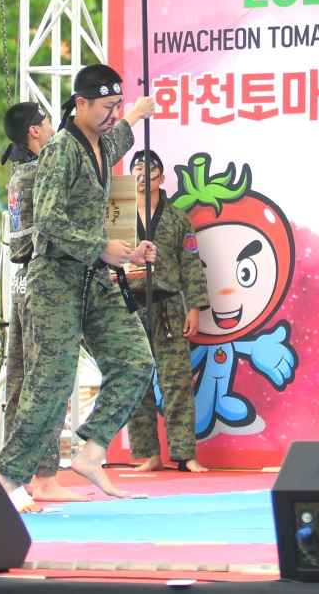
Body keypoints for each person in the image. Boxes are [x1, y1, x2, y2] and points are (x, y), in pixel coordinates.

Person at [0, 65, 157, 509]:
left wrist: (138, 113)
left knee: (136, 362)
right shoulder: (60, 151)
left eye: (115, 107)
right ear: (80, 104)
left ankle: (92, 451)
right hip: (55, 279)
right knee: (51, 380)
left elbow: (122, 134)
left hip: (94, 278)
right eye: (105, 107)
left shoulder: (104, 142)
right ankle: (7, 479)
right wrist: (104, 247)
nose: (112, 115)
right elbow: (47, 221)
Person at [0, 101, 86, 503]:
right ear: (34, 131)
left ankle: (17, 467)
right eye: (47, 122)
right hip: (42, 278)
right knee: (48, 377)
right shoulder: (39, 172)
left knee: (21, 379)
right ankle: (45, 473)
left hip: (21, 279)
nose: (52, 128)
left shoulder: (19, 174)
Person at [125, 150, 211, 472]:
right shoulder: (116, 215)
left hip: (169, 307)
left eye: (151, 170)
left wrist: (195, 307)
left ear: (162, 177)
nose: (143, 174)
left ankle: (185, 454)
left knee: (176, 381)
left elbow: (191, 265)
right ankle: (148, 453)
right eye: (137, 168)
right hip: (130, 306)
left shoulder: (176, 218)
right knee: (135, 381)